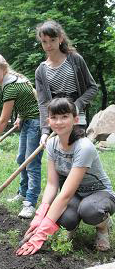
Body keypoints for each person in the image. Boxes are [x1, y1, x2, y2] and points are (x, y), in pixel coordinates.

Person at [16, 97, 115, 256]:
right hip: (75, 194)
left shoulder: (84, 147)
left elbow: (65, 194)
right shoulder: (52, 144)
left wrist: (42, 233)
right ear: (48, 121)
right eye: (54, 117)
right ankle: (72, 225)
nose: (59, 122)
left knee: (90, 210)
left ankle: (103, 226)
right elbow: (52, 185)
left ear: (75, 119)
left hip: (98, 193)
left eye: (64, 117)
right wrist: (41, 214)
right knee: (65, 219)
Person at [0, 53, 43, 219]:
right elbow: (30, 98)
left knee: (31, 163)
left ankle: (30, 203)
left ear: (4, 69)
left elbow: (2, 122)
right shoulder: (15, 77)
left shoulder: (10, 86)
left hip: (36, 123)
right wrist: (20, 116)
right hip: (28, 120)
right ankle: (23, 193)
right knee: (21, 159)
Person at [35, 20, 98, 145]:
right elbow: (43, 103)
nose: (48, 45)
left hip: (76, 119)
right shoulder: (41, 71)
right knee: (59, 159)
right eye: (44, 41)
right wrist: (45, 131)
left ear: (60, 38)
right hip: (56, 122)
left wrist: (77, 104)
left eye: (52, 40)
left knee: (78, 156)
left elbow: (93, 88)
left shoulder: (75, 59)